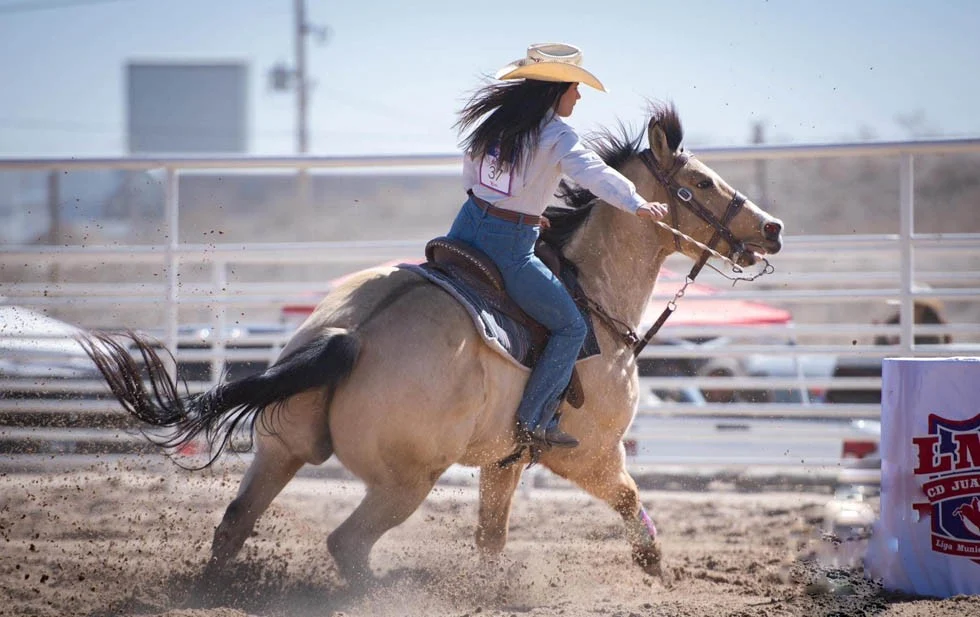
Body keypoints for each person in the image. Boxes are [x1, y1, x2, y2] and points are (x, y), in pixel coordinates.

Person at [446, 43, 669, 449]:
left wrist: (520, 211)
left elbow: (473, 175)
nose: (578, 96)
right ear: (556, 91)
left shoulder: (499, 125)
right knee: (571, 328)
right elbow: (593, 173)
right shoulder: (556, 135)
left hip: (463, 229)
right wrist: (636, 203)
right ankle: (532, 421)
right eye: (573, 87)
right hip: (509, 249)